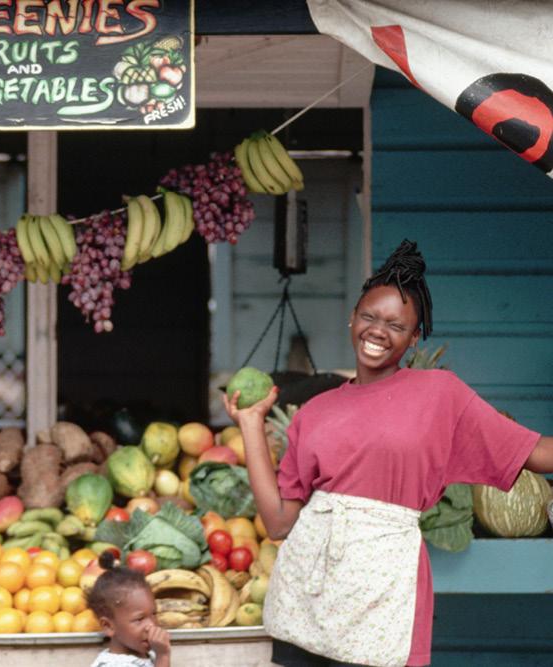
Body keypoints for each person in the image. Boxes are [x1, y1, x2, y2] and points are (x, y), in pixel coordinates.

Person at [223, 239, 553, 667]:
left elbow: (537, 453)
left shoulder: (439, 394)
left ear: (415, 337)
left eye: (396, 325)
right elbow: (278, 521)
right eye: (369, 316)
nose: (378, 331)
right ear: (352, 318)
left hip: (384, 589)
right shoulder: (315, 412)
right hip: (308, 588)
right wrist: (251, 425)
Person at [86, 551, 172, 667]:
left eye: (154, 614)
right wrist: (163, 657)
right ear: (108, 626)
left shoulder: (147, 654)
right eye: (139, 619)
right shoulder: (113, 665)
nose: (151, 625)